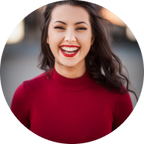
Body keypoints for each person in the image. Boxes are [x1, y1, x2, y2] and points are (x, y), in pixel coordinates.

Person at [9, 0, 138, 143]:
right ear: (46, 36)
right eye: (59, 27)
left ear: (92, 38)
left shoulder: (117, 95)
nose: (70, 38)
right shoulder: (25, 95)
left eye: (80, 28)